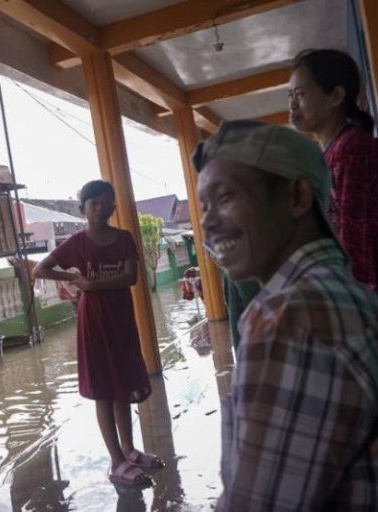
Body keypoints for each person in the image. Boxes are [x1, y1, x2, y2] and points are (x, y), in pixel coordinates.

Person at [195, 120, 378, 511]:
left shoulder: (291, 317)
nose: (207, 222)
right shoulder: (343, 291)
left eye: (225, 196)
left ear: (297, 197)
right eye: (203, 206)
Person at [33, 180, 164, 487]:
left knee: (122, 382)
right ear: (83, 209)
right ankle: (117, 460)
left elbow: (131, 276)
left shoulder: (124, 238)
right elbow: (40, 269)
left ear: (113, 207)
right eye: (94, 203)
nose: (101, 207)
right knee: (104, 389)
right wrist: (72, 277)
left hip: (121, 319)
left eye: (106, 202)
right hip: (94, 322)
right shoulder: (77, 243)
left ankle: (129, 450)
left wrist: (91, 285)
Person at [289, 48, 378, 291]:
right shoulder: (331, 153)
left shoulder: (353, 149)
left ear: (336, 96)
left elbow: (353, 239)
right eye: (290, 95)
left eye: (300, 94)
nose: (292, 103)